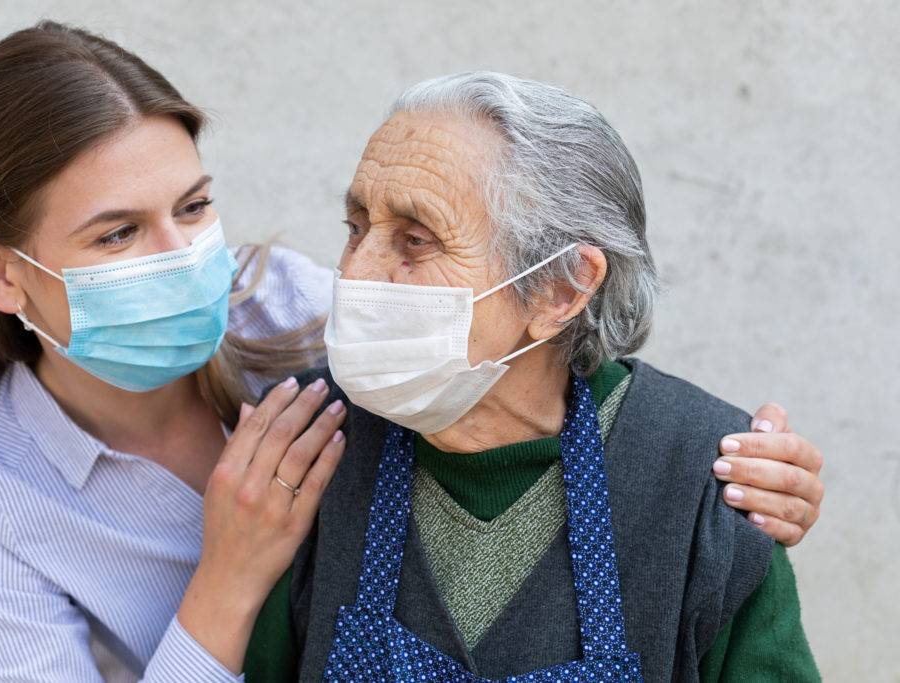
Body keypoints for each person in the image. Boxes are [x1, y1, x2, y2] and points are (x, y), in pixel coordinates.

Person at [0, 23, 822, 681]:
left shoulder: (299, 312)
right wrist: (227, 581)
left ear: (559, 287)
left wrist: (741, 473)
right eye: (116, 235)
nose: (361, 278)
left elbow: (546, 364)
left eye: (192, 208)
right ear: (0, 271)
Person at [244, 72, 820, 681]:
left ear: (560, 288)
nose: (357, 273)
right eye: (356, 228)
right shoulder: (306, 445)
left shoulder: (707, 484)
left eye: (415, 240)